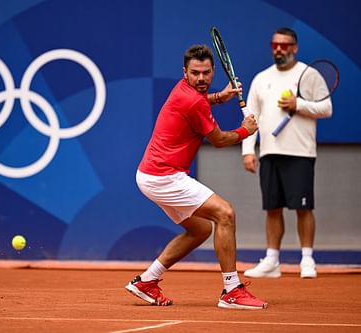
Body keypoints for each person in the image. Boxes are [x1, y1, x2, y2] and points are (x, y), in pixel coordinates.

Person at [125, 44, 268, 309]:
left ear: (213, 70)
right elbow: (220, 140)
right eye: (195, 74)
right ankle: (232, 290)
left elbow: (201, 101)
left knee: (200, 229)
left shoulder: (186, 91)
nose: (201, 79)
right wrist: (246, 130)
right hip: (163, 176)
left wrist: (220, 96)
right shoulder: (192, 100)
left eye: (205, 73)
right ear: (185, 72)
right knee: (225, 213)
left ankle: (146, 281)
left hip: (151, 175)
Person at [242, 28, 333, 279]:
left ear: (295, 47)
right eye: (275, 45)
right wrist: (248, 150)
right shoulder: (261, 78)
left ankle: (307, 259)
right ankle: (272, 261)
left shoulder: (309, 74)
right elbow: (251, 118)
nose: (279, 49)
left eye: (285, 45)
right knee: (272, 208)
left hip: (301, 152)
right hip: (269, 152)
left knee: (303, 208)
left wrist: (298, 105)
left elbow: (327, 108)